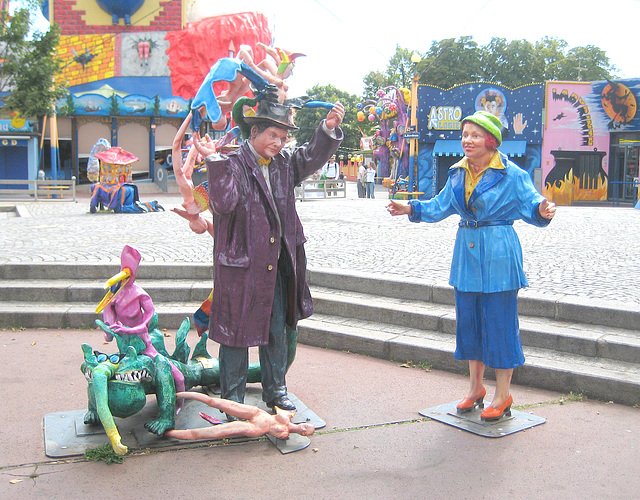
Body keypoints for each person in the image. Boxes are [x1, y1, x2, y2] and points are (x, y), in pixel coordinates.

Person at [386, 110, 556, 422]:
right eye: (465, 135)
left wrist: (543, 210)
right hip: (466, 255)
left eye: (475, 135)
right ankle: (475, 388)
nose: (467, 140)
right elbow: (439, 206)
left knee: (500, 326)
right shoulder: (457, 173)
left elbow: (532, 203)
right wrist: (410, 207)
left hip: (499, 255)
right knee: (470, 325)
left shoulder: (511, 173)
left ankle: (503, 395)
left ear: (491, 141)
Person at [190, 93, 344, 413]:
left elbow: (310, 156)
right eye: (272, 135)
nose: (278, 143)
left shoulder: (285, 163)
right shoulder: (232, 163)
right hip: (242, 264)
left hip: (278, 263)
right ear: (254, 133)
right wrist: (214, 163)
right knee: (236, 336)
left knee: (276, 329)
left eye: (283, 137)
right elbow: (222, 203)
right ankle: (232, 398)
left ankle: (276, 390)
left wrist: (327, 129)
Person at [164, 391, 315, 441]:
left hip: (255, 428)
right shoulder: (288, 416)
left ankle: (168, 433)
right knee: (215, 402)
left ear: (303, 434)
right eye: (306, 426)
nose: (304, 428)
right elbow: (278, 408)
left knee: (218, 431)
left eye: (305, 431)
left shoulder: (284, 433)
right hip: (257, 413)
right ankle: (179, 394)